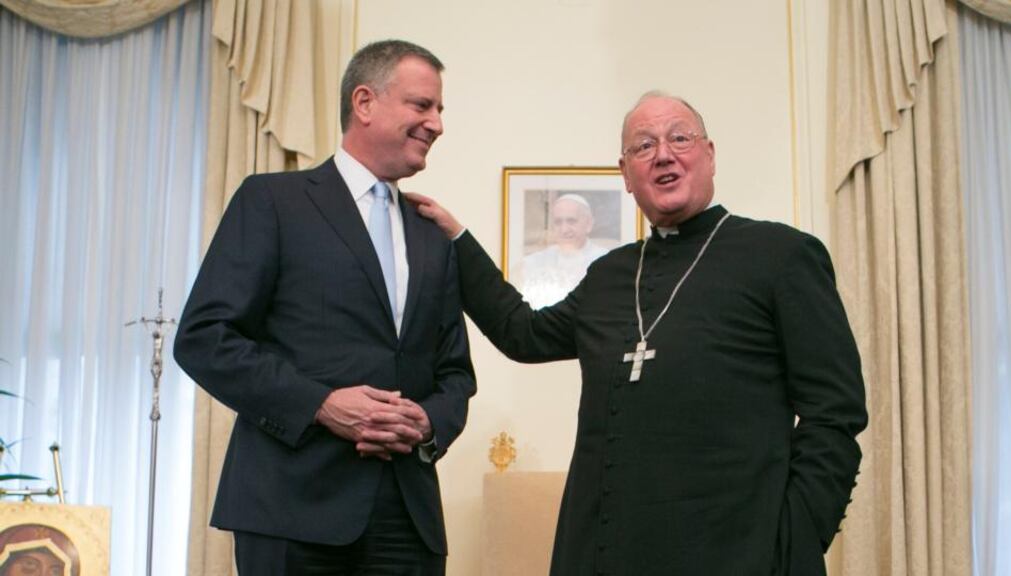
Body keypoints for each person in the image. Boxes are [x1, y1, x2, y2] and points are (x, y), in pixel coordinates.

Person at [408, 91, 867, 575]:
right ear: (626, 175)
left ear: (709, 155)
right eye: (643, 146)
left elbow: (834, 412)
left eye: (680, 138)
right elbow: (523, 333)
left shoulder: (782, 255)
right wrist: (456, 240)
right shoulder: (610, 274)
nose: (663, 154)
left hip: (740, 554)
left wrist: (795, 534)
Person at [174, 39, 475, 575]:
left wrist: (428, 421)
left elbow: (455, 374)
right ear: (364, 102)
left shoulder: (433, 235)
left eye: (440, 109)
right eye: (422, 105)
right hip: (291, 510)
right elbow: (204, 337)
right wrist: (320, 404)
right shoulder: (272, 200)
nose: (437, 124)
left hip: (408, 522)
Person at [515, 194, 608, 307]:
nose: (564, 230)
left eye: (571, 221)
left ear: (589, 224)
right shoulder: (533, 262)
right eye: (558, 222)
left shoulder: (605, 260)